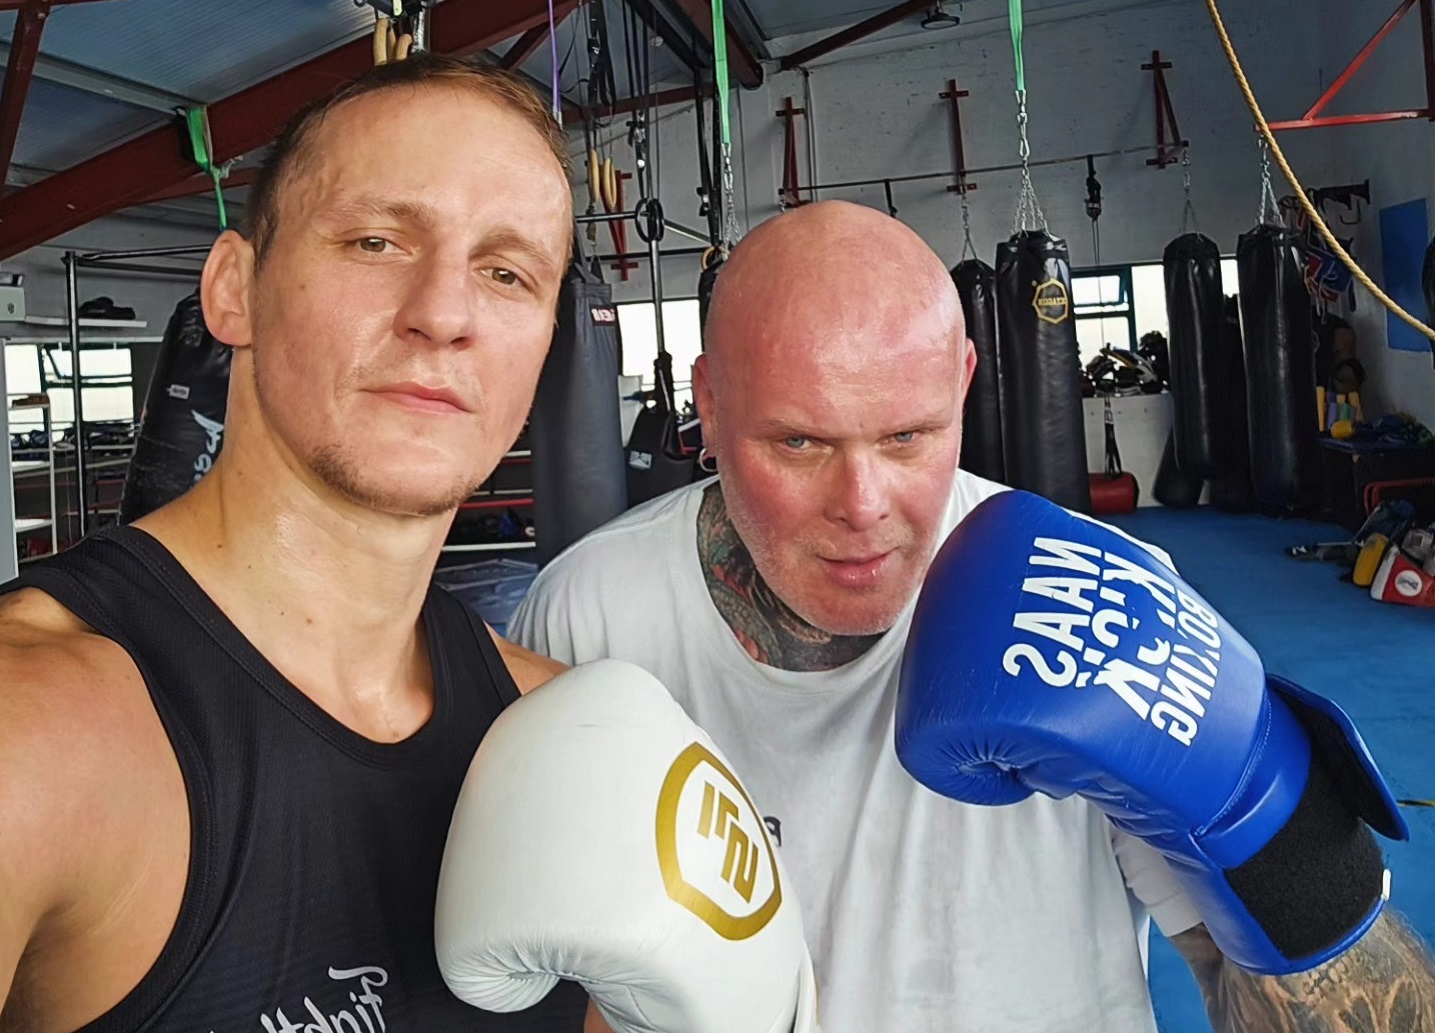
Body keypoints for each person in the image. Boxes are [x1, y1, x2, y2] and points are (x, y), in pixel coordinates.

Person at [510, 199, 1435, 1031]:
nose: (863, 504)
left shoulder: (1091, 601)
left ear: (961, 383)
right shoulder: (590, 617)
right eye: (798, 441)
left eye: (907, 436)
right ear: (708, 407)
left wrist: (1264, 812)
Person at [0, 54, 594, 1033]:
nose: (444, 313)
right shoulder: (37, 730)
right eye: (375, 241)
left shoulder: (555, 726)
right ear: (233, 289)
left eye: (505, 272)